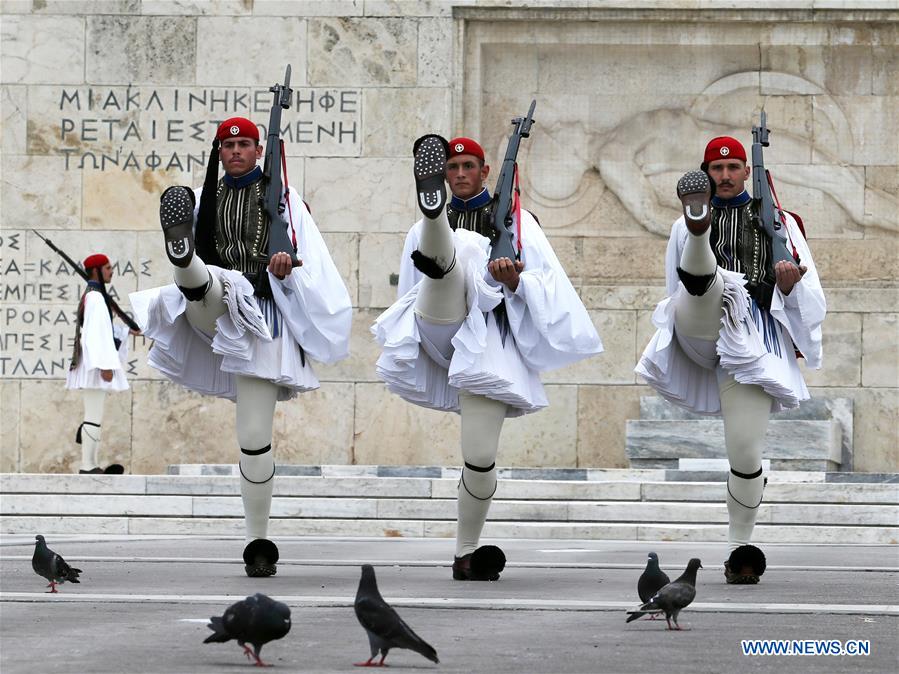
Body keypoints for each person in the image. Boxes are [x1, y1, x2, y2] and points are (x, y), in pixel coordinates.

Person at [373, 135, 603, 580]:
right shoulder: (414, 234)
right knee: (443, 259)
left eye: (467, 166)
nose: (459, 173)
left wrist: (515, 282)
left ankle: (466, 552)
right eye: (451, 166)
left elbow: (550, 284)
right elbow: (407, 294)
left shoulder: (518, 223)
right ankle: (437, 223)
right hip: (440, 324)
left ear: (484, 171)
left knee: (479, 455)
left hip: (489, 340)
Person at [130, 117, 352, 577]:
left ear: (258, 151)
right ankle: (184, 258)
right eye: (228, 146)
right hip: (213, 304)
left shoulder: (287, 204)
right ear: (220, 153)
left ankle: (257, 542)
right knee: (206, 281)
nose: (235, 152)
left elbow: (317, 269)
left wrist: (287, 266)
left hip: (259, 316)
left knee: (253, 437)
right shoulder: (203, 200)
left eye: (245, 145)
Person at [636, 136, 826, 584]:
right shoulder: (679, 226)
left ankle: (738, 549)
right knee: (705, 283)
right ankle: (705, 240)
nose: (724, 176)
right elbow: (673, 289)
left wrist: (788, 284)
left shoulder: (780, 223)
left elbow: (814, 298)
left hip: (753, 340)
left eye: (733, 168)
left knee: (744, 452)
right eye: (716, 170)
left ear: (746, 173)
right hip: (704, 320)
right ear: (704, 175)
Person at [65, 253, 135, 474]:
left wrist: (125, 331)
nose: (111, 271)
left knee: (94, 415)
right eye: (107, 268)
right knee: (93, 416)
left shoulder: (95, 296)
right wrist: (105, 365)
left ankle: (91, 463)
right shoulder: (95, 298)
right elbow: (95, 335)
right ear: (96, 270)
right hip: (96, 365)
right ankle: (87, 466)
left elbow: (104, 331)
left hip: (94, 363)